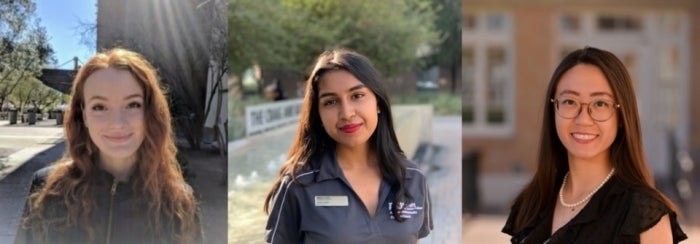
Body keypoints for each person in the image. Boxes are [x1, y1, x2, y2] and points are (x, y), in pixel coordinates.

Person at [15, 48, 202, 244]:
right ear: (84, 116)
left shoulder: (179, 201)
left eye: (132, 105)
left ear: (149, 112)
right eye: (99, 107)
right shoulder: (47, 189)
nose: (118, 123)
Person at [502, 46, 687, 243]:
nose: (583, 119)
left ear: (622, 116)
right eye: (570, 102)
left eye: (600, 104)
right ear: (553, 109)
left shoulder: (644, 215)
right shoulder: (531, 202)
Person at [263, 49, 433, 243]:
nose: (346, 113)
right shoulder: (299, 184)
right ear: (318, 114)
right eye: (331, 102)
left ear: (378, 102)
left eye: (357, 95)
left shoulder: (412, 177)